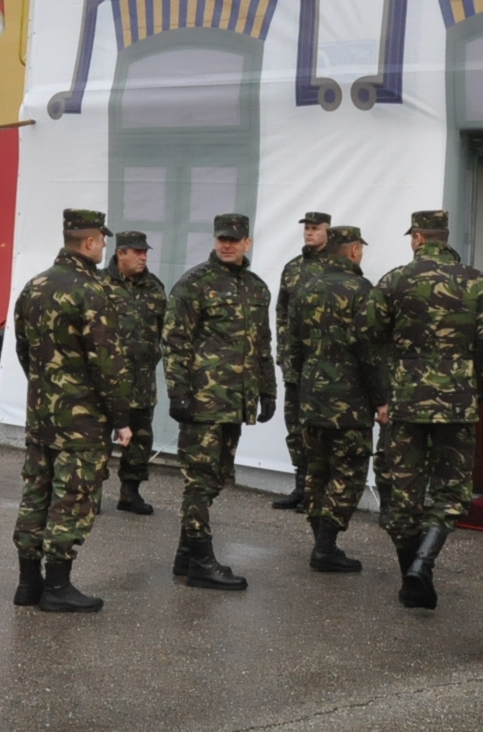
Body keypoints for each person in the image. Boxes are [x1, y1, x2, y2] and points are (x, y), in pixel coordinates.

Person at [367, 210, 483, 611]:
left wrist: (382, 395)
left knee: (402, 492)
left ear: (417, 237)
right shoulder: (474, 281)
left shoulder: (395, 280)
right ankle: (424, 562)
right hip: (457, 404)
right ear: (444, 239)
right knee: (451, 490)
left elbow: (367, 338)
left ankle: (410, 574)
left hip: (405, 403)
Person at [9, 209, 131, 613]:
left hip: (42, 414)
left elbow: (24, 352)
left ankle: (29, 584)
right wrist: (121, 418)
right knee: (73, 498)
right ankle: (57, 587)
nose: (104, 248)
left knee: (36, 493)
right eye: (103, 241)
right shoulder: (93, 291)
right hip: (81, 421)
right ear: (91, 242)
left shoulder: (34, 286)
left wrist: (47, 389)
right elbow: (108, 364)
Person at [163, 212, 275, 592]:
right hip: (202, 402)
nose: (226, 244)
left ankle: (185, 553)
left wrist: (268, 390)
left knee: (216, 478)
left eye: (234, 239)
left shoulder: (258, 288)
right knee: (198, 480)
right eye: (221, 238)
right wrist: (177, 392)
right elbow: (174, 341)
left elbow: (262, 344)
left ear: (248, 242)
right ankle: (201, 561)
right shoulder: (194, 284)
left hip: (236, 401)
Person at [282, 225, 387, 574]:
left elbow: (292, 346)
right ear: (354, 250)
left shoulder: (306, 287)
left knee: (317, 471)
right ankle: (325, 546)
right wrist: (382, 398)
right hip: (350, 401)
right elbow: (371, 351)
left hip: (311, 397)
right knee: (349, 474)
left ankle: (320, 541)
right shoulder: (363, 290)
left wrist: (298, 388)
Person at [270, 211, 331, 512]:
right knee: (295, 427)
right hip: (295, 363)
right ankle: (301, 485)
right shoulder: (293, 268)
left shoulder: (336, 266)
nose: (309, 233)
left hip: (324, 366)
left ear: (328, 231)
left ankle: (317, 492)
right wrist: (283, 351)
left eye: (315, 228)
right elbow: (282, 311)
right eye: (306, 228)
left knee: (318, 428)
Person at [105, 231, 166, 515]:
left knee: (140, 439)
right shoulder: (100, 285)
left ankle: (130, 493)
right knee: (96, 440)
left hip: (142, 381)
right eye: (137, 252)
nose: (143, 257)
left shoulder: (154, 287)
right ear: (121, 253)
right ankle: (90, 492)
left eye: (145, 252)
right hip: (106, 380)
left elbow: (167, 330)